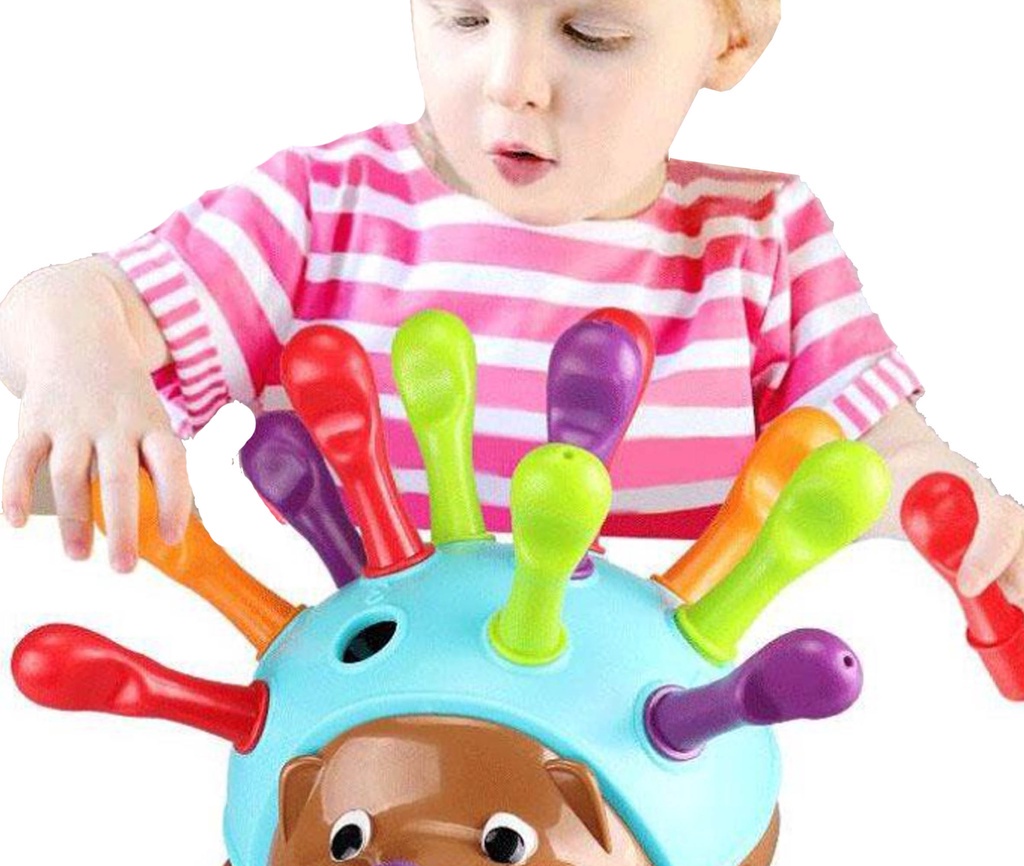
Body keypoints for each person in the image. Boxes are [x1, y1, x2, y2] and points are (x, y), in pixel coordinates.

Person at [0, 0, 1020, 601]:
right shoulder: (320, 213)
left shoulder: (765, 241)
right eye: (464, 16)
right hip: (359, 747)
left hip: (644, 768)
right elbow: (66, 300)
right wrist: (83, 369)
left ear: (728, 42)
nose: (512, 80)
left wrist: (972, 526)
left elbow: (888, 464)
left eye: (591, 31)